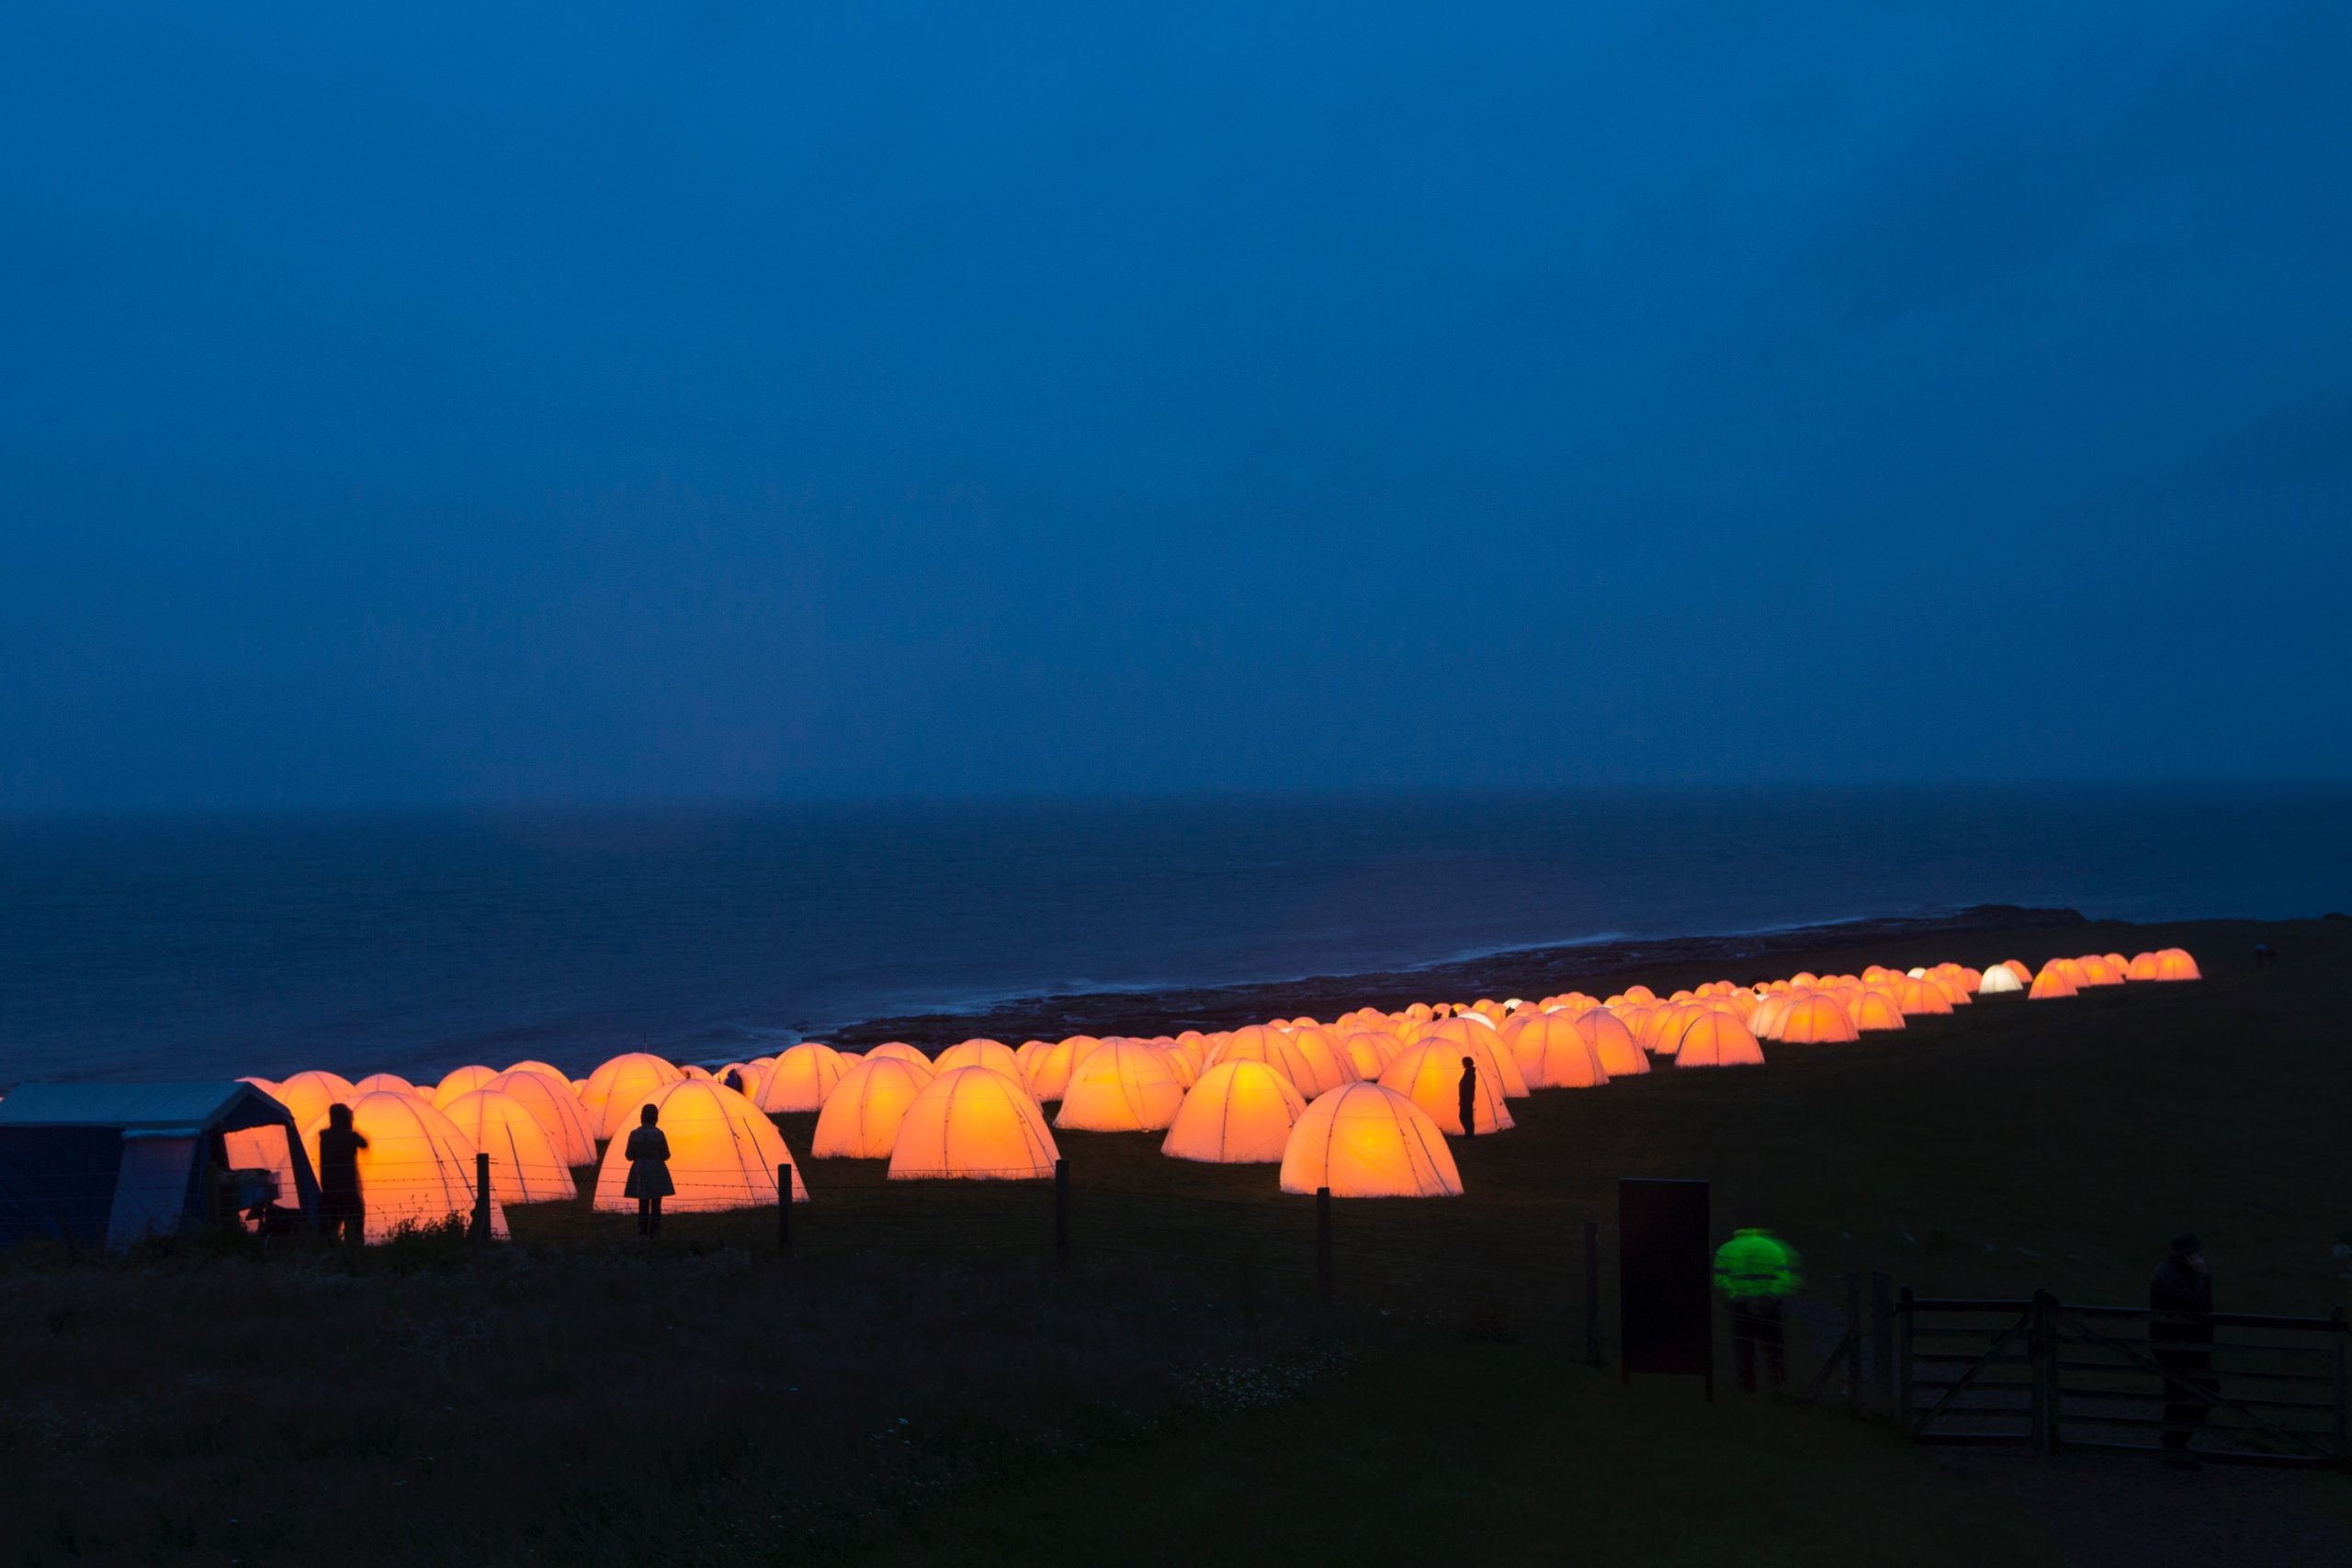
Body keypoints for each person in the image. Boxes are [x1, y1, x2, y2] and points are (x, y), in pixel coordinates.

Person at [2150, 1234, 2216, 1467]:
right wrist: (2201, 1276)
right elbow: (2196, 1307)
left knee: (2183, 1393)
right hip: (2180, 1345)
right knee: (2198, 1391)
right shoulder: (2174, 1276)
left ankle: (2174, 1444)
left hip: (2179, 1343)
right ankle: (2174, 1445)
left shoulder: (2170, 1272)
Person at [1713, 1226, 1803, 1393]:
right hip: (1768, 1307)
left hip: (1739, 1306)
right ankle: (1779, 1386)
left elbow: (1720, 1278)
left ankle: (1747, 1388)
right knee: (1774, 1349)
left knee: (1744, 1350)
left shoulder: (1726, 1248)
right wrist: (1769, 1295)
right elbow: (1784, 1278)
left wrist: (1735, 1294)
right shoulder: (1773, 1247)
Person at [315, 1103, 368, 1246]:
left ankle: (328, 1255)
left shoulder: (325, 1137)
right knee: (356, 1222)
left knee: (329, 1227)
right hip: (348, 1189)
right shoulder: (350, 1137)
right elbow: (364, 1144)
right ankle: (354, 1251)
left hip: (329, 1190)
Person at [625, 1103, 673, 1237]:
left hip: (640, 1171)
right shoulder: (659, 1134)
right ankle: (655, 1231)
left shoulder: (634, 1134)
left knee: (643, 1202)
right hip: (657, 1171)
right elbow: (666, 1155)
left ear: (642, 1117)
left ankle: (642, 1231)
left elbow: (629, 1155)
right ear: (655, 1117)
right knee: (656, 1203)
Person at [1456, 1055, 1478, 1136]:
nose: (1462, 1064)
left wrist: (1465, 1098)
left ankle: (1469, 1134)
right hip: (1466, 1098)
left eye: (1463, 1062)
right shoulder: (1469, 1072)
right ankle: (1469, 1133)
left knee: (1464, 1116)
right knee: (1466, 1116)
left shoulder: (1470, 1073)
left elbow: (1468, 1087)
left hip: (1466, 1099)